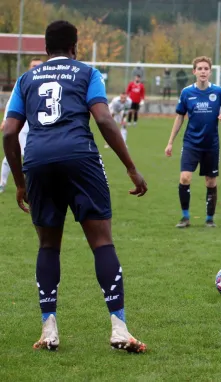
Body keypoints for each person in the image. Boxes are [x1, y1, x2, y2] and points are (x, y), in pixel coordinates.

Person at [2, 20, 148, 352]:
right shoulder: (86, 72)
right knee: (101, 242)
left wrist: (21, 183)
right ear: (75, 47)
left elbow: (9, 132)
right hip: (80, 159)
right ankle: (119, 328)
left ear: (45, 49)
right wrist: (131, 168)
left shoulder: (26, 79)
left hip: (38, 161)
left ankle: (49, 329)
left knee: (48, 246)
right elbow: (103, 118)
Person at [164, 56, 221, 228]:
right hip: (191, 144)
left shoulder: (217, 91)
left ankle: (210, 219)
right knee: (185, 177)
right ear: (194, 71)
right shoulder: (187, 93)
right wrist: (170, 142)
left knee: (210, 182)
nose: (203, 71)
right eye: (200, 69)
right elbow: (179, 117)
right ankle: (185, 217)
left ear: (210, 71)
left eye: (206, 68)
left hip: (211, 145)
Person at [0, 58, 44, 193]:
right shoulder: (24, 81)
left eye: (38, 66)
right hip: (23, 125)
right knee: (19, 153)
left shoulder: (47, 81)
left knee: (15, 157)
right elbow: (11, 104)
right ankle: (6, 184)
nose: (35, 67)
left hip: (40, 126)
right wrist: (6, 120)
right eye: (33, 65)